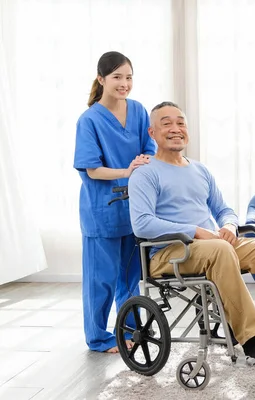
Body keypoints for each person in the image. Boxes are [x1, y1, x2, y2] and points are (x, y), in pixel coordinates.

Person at [128, 101, 255, 365]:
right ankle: (250, 337)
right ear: (152, 133)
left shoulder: (199, 170)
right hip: (168, 252)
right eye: (166, 123)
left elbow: (224, 209)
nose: (175, 128)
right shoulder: (145, 173)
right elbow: (142, 224)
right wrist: (197, 231)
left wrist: (228, 226)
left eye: (180, 123)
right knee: (220, 249)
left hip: (211, 246)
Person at [73, 51, 155, 353]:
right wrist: (127, 171)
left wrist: (144, 165)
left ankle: (132, 331)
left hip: (135, 209)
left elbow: (150, 148)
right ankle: (98, 338)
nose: (124, 83)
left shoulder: (138, 111)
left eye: (129, 77)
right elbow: (92, 169)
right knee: (101, 281)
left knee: (132, 279)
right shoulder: (90, 120)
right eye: (117, 77)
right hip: (102, 211)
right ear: (101, 79)